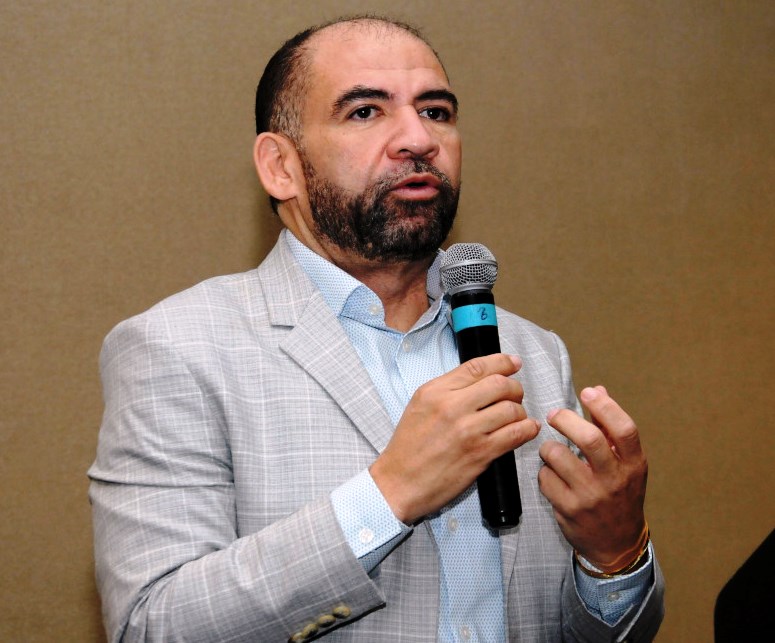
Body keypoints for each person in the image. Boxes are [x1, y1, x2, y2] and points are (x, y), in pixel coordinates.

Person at [89, 16, 664, 642]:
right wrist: (388, 494)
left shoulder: (534, 352)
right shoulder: (178, 348)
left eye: (436, 112)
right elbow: (150, 626)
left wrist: (614, 556)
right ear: (280, 166)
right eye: (365, 112)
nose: (418, 139)